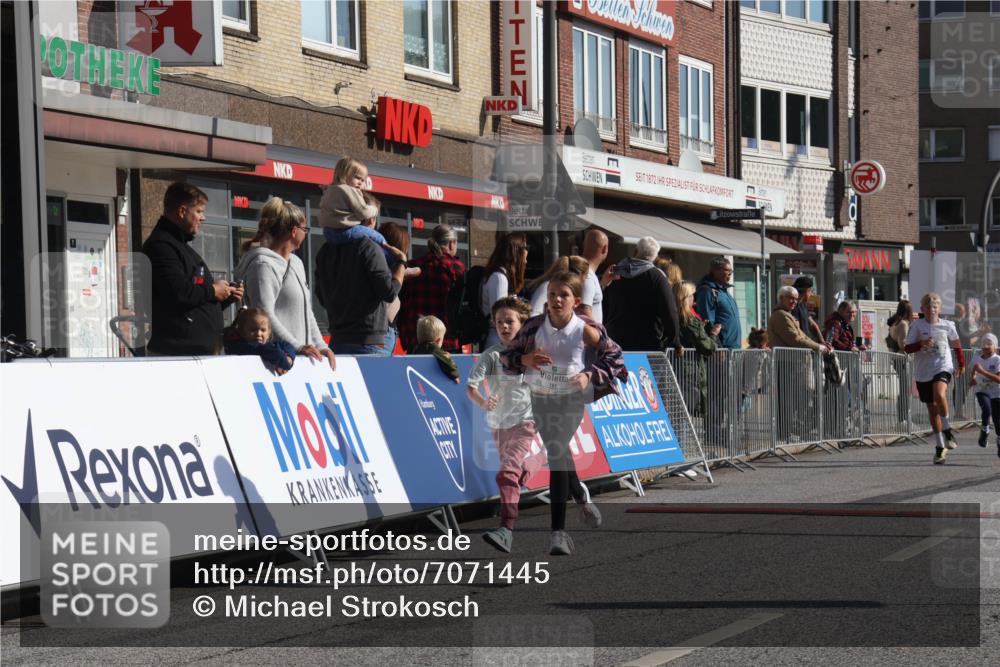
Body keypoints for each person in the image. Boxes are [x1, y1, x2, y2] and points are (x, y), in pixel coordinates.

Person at [501, 271, 626, 556]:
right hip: (541, 398)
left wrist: (589, 375)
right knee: (559, 451)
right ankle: (581, 496)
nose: (557, 300)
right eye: (552, 295)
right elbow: (506, 359)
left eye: (563, 295)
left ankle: (558, 533)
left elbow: (616, 356)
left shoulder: (586, 329)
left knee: (556, 451)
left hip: (571, 398)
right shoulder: (533, 327)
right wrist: (524, 359)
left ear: (576, 301)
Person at [467, 296, 537, 553]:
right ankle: (534, 463)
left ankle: (506, 529)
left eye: (510, 321)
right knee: (515, 472)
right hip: (498, 425)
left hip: (526, 421)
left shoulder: (532, 353)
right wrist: (484, 403)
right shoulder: (490, 355)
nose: (504, 327)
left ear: (522, 324)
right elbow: (471, 388)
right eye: (499, 322)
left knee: (506, 473)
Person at [143, 182, 244, 355]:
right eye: (199, 211)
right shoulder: (161, 246)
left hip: (194, 352)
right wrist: (213, 291)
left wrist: (225, 296)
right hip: (177, 356)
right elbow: (178, 294)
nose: (203, 217)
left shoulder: (179, 246)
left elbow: (193, 304)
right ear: (182, 211)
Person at [235, 197, 335, 370]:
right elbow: (265, 315)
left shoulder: (296, 263)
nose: (306, 233)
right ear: (294, 231)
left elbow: (307, 312)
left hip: (300, 359)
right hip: (276, 362)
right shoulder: (263, 265)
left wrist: (321, 346)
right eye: (305, 229)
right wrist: (297, 346)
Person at [314, 196, 407, 355]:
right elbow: (389, 292)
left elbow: (321, 295)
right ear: (371, 219)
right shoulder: (369, 247)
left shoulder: (325, 250)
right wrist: (401, 263)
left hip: (338, 337)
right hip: (368, 341)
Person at [903, 292, 965, 464]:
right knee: (932, 408)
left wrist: (961, 363)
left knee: (940, 394)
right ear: (922, 309)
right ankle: (940, 447)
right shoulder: (916, 325)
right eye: (928, 308)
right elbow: (907, 348)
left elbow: (957, 345)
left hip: (942, 366)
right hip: (923, 371)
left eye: (935, 308)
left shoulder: (948, 325)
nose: (932, 311)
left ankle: (947, 429)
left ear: (939, 309)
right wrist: (921, 344)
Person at [768, 286, 832, 440]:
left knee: (792, 399)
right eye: (790, 298)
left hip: (792, 362)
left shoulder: (788, 315)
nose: (794, 302)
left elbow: (803, 336)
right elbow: (794, 339)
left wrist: (819, 345)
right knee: (786, 400)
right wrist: (818, 347)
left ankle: (787, 432)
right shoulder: (781, 316)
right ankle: (783, 434)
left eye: (796, 299)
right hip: (785, 362)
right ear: (781, 298)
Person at [603, 237, 683, 355]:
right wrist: (676, 341)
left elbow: (604, 303)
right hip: (646, 342)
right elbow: (669, 311)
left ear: (635, 251)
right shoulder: (657, 277)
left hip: (615, 339)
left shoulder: (614, 272)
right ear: (655, 257)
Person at [398, 224, 466, 353]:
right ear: (452, 243)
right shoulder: (456, 268)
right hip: (447, 339)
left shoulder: (412, 266)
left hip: (415, 338)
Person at [674, 280, 717, 419]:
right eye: (692, 295)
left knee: (678, 412)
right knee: (684, 414)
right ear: (685, 298)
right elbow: (707, 346)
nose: (694, 298)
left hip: (678, 369)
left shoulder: (673, 317)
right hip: (689, 370)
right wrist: (713, 336)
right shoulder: (689, 319)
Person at [481, 232, 529, 348]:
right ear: (516, 252)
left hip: (503, 340)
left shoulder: (502, 276)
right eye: (525, 247)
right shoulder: (499, 278)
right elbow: (499, 315)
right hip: (498, 342)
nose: (527, 252)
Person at [378, 221, 417, 354]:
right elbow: (391, 292)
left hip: (387, 332)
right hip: (383, 333)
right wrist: (401, 261)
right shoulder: (384, 268)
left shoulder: (383, 266)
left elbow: (416, 270)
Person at [223, 308, 296, 374]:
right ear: (242, 331)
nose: (258, 334)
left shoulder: (267, 345)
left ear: (269, 333)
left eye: (263, 330)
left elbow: (286, 345)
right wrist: (285, 361)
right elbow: (273, 354)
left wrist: (289, 356)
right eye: (253, 330)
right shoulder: (242, 347)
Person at [695, 256, 741, 350]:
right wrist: (717, 347)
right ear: (715, 270)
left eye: (731, 271)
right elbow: (708, 322)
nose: (730, 274)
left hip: (734, 348)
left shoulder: (724, 292)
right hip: (721, 349)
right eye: (727, 270)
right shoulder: (707, 291)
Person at [970, 333, 1000, 454]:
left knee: (998, 419)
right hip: (981, 389)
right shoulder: (977, 357)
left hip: (996, 391)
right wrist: (972, 377)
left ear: (996, 346)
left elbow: (998, 379)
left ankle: (999, 441)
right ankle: (985, 431)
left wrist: (983, 371)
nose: (986, 347)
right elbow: (975, 369)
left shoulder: (997, 360)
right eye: (984, 344)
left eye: (989, 344)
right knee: (987, 410)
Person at [411, 315, 460, 383]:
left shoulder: (415, 349)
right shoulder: (434, 349)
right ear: (438, 340)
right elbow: (447, 363)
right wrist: (455, 375)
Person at [887, 299, 914, 423]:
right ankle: (903, 419)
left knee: (904, 389)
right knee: (905, 390)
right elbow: (903, 344)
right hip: (902, 359)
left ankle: (902, 418)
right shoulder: (903, 324)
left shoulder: (895, 323)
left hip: (897, 359)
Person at [579, 228, 608, 322]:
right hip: (589, 336)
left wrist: (602, 284)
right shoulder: (588, 276)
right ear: (605, 249)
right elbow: (584, 312)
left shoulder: (585, 273)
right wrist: (600, 335)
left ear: (583, 245)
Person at [791, 276, 823, 343]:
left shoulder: (803, 305)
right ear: (807, 290)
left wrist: (822, 341)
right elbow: (796, 328)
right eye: (810, 291)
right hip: (799, 346)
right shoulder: (793, 306)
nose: (811, 294)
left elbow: (813, 324)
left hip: (805, 345)